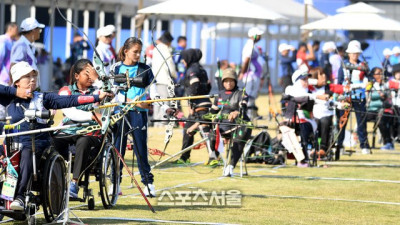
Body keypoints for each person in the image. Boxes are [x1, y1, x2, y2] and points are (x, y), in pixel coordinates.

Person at [7, 61, 109, 210]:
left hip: (34, 143)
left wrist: (95, 97)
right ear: (17, 82)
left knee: (27, 154)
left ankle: (21, 196)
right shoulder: (9, 97)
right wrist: (15, 92)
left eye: (34, 76)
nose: (33, 79)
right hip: (12, 143)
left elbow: (69, 100)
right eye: (27, 77)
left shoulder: (43, 98)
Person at [111, 37, 173, 197]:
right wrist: (133, 102)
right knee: (118, 149)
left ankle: (148, 183)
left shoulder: (146, 69)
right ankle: (114, 183)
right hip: (120, 113)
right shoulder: (116, 68)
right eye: (135, 52)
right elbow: (112, 95)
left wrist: (165, 107)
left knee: (140, 149)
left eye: (140, 52)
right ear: (126, 51)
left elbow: (154, 94)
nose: (138, 55)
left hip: (139, 115)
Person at [53, 59, 103, 198]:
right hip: (68, 129)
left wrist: (97, 80)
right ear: (76, 76)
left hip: (90, 132)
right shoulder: (65, 91)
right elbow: (70, 112)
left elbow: (111, 97)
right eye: (87, 73)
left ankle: (74, 184)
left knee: (84, 141)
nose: (91, 76)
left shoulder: (98, 91)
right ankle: (53, 179)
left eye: (93, 73)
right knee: (51, 141)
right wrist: (91, 115)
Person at [174, 49, 213, 165]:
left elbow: (195, 84)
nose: (183, 61)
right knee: (188, 130)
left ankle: (214, 157)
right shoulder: (201, 69)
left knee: (205, 130)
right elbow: (208, 86)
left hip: (200, 106)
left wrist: (192, 99)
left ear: (189, 58)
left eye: (184, 58)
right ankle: (184, 157)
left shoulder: (192, 70)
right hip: (202, 103)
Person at [210, 68, 251, 176]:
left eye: (231, 80)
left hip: (240, 125)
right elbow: (213, 112)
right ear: (223, 82)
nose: (228, 83)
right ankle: (216, 158)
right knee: (212, 135)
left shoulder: (242, 93)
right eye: (226, 80)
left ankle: (230, 165)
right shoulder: (219, 95)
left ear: (235, 81)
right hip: (224, 126)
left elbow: (243, 107)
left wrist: (237, 112)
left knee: (238, 140)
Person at [337, 40, 370, 154]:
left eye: (357, 53)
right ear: (349, 54)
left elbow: (368, 80)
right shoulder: (343, 66)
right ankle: (339, 146)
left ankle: (364, 145)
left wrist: (365, 83)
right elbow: (339, 81)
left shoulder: (363, 66)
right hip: (346, 97)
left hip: (360, 97)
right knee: (343, 121)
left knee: (361, 121)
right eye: (353, 53)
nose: (355, 55)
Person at [284, 68, 317, 167]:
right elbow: (299, 96)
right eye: (304, 80)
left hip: (306, 121)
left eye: (307, 80)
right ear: (297, 81)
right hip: (292, 121)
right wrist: (317, 97)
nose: (306, 82)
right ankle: (301, 157)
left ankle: (306, 156)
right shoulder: (290, 89)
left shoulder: (311, 92)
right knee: (300, 127)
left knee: (306, 126)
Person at [151, 31, 177, 127]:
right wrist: (174, 75)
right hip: (165, 79)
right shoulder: (165, 49)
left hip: (156, 79)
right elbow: (169, 64)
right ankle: (163, 122)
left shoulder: (156, 48)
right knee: (165, 101)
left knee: (157, 101)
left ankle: (157, 122)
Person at [239, 27, 264, 120]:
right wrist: (242, 72)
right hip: (251, 75)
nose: (260, 36)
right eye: (259, 35)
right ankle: (248, 115)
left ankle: (252, 114)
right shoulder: (250, 45)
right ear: (253, 36)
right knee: (249, 95)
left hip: (254, 75)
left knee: (252, 95)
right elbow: (246, 60)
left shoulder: (253, 45)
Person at [366, 67, 394, 150]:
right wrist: (378, 93)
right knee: (361, 119)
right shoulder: (370, 84)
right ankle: (364, 142)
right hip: (371, 110)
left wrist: (384, 94)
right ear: (373, 75)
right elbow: (368, 95)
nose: (381, 75)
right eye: (378, 73)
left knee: (381, 121)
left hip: (384, 110)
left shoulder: (386, 84)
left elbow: (389, 97)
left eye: (381, 73)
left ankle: (388, 142)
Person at [10, 18, 44, 85]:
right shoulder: (21, 45)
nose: (39, 32)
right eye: (39, 30)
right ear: (33, 30)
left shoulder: (27, 45)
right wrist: (15, 90)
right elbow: (13, 67)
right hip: (22, 91)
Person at [309, 67, 332, 158]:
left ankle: (323, 148)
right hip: (313, 114)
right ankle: (313, 147)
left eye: (324, 73)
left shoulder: (328, 87)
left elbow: (330, 95)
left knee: (325, 121)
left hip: (326, 113)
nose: (324, 76)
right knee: (313, 123)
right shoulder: (309, 88)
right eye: (321, 74)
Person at [0, 22, 18, 119]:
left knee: (8, 107)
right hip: (2, 78)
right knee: (1, 108)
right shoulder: (3, 40)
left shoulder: (12, 41)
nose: (18, 31)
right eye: (16, 28)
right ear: (10, 29)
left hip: (9, 79)